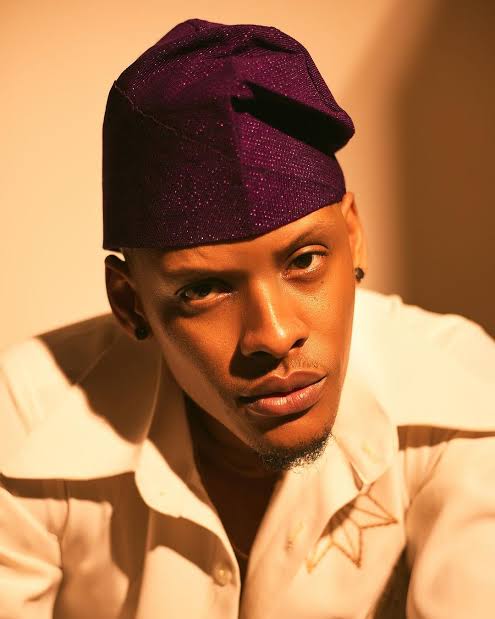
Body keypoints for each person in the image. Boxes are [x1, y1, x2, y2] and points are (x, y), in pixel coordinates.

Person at [0, 17, 494, 619]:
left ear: (354, 238)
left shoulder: (464, 400)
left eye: (305, 261)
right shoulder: (25, 424)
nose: (275, 335)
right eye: (205, 290)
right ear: (130, 304)